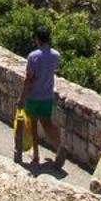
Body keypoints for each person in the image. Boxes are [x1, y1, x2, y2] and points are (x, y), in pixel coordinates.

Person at [18, 25, 65, 170]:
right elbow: (53, 70)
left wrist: (21, 98)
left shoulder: (33, 56)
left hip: (34, 96)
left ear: (37, 39)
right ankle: (60, 147)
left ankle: (36, 155)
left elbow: (29, 79)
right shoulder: (55, 55)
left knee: (33, 125)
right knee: (47, 123)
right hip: (47, 95)